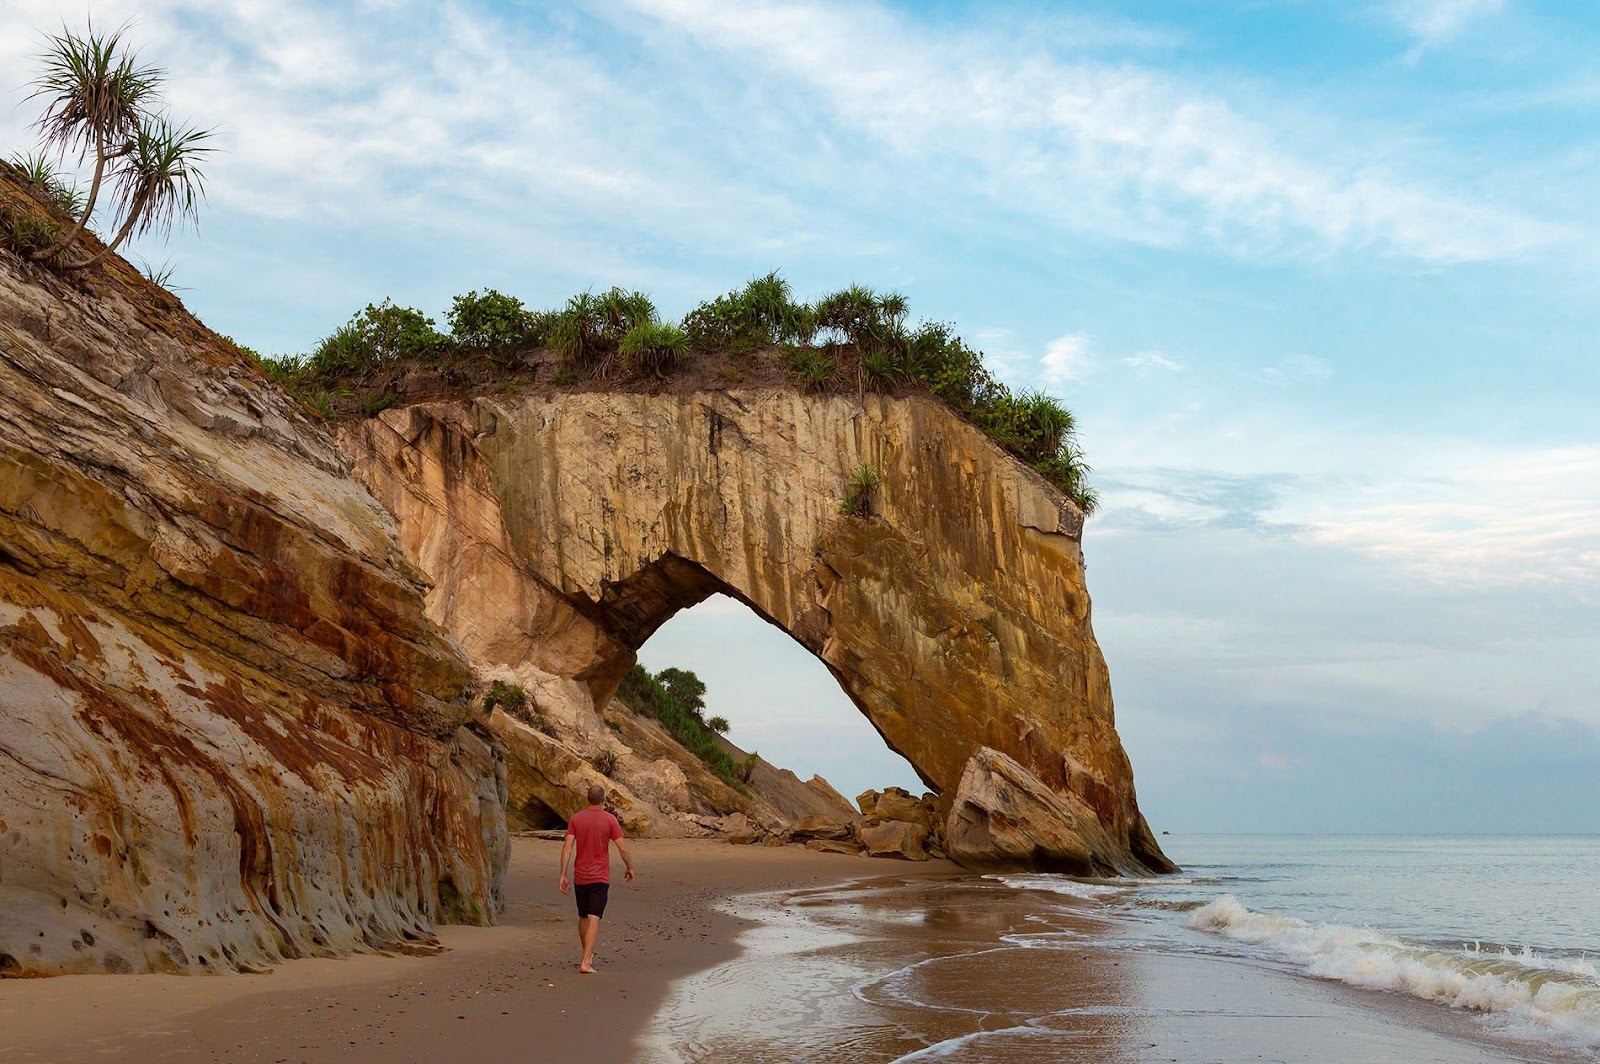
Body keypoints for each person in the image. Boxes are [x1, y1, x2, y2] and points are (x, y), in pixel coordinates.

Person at [558, 782, 635, 973]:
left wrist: (563, 874)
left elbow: (567, 848)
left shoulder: (576, 819)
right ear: (603, 800)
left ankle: (587, 955)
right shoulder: (610, 820)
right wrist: (629, 866)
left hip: (580, 876)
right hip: (599, 877)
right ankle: (585, 962)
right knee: (594, 917)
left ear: (587, 799)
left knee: (584, 915)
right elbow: (622, 848)